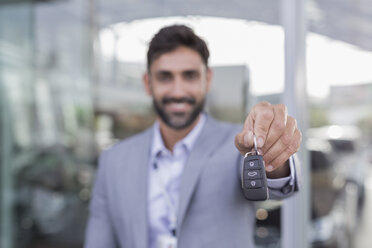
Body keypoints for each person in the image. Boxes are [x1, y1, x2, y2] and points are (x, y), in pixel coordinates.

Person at [84, 24, 301, 248]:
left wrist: (272, 149)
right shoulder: (113, 161)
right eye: (165, 77)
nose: (178, 91)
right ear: (148, 84)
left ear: (207, 80)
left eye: (189, 76)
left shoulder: (239, 146)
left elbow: (277, 186)